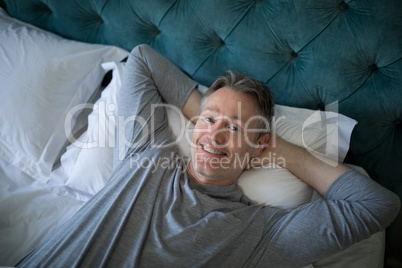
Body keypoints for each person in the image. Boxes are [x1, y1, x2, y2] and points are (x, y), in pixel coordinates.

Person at [17, 44, 400, 267]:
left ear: (257, 146)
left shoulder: (261, 233)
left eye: (233, 128)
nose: (213, 135)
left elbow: (377, 204)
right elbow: (142, 59)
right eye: (208, 120)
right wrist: (210, 117)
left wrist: (278, 150)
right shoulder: (146, 151)